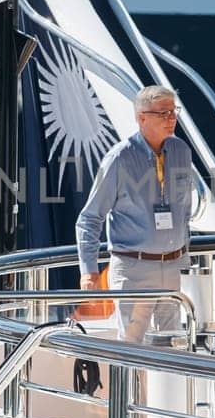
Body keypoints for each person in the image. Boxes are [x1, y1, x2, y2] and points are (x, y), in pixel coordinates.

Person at [76, 85, 194, 345]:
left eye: (174, 112)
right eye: (163, 113)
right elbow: (90, 218)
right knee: (130, 345)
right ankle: (130, 388)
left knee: (174, 344)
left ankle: (168, 387)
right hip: (133, 269)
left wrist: (184, 256)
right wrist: (89, 271)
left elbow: (185, 211)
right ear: (142, 118)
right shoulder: (119, 158)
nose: (172, 119)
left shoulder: (182, 151)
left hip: (173, 267)